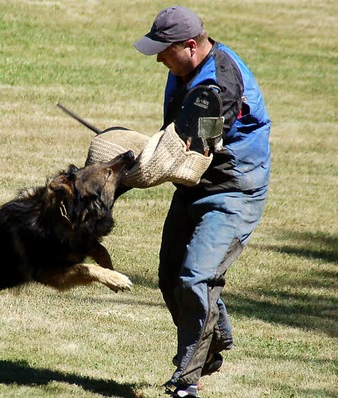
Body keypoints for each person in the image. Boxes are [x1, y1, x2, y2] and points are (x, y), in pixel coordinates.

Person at [133, 6, 271, 397]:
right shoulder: (183, 72)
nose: (158, 58)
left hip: (233, 190)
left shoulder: (218, 87)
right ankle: (212, 345)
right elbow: (173, 138)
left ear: (190, 46)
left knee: (196, 278)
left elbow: (195, 150)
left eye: (164, 50)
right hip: (194, 188)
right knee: (171, 275)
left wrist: (140, 167)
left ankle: (186, 380)